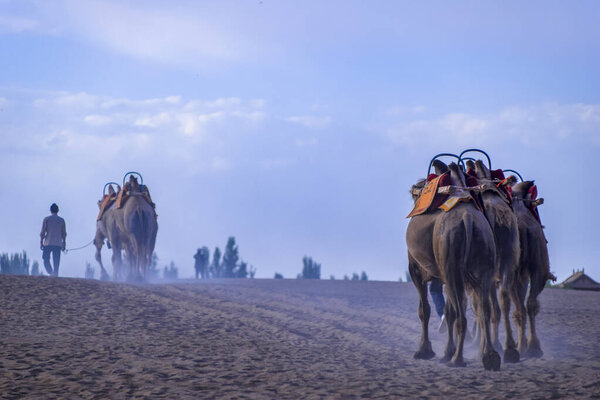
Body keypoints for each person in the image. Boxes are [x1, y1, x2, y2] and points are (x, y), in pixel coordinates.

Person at [40, 203, 67, 277]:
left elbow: (43, 232)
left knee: (45, 259)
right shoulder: (61, 220)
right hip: (58, 243)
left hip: (48, 242)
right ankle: (55, 274)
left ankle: (51, 272)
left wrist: (41, 242)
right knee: (56, 262)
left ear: (50, 210)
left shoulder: (47, 219)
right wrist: (64, 243)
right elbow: (64, 234)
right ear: (58, 210)